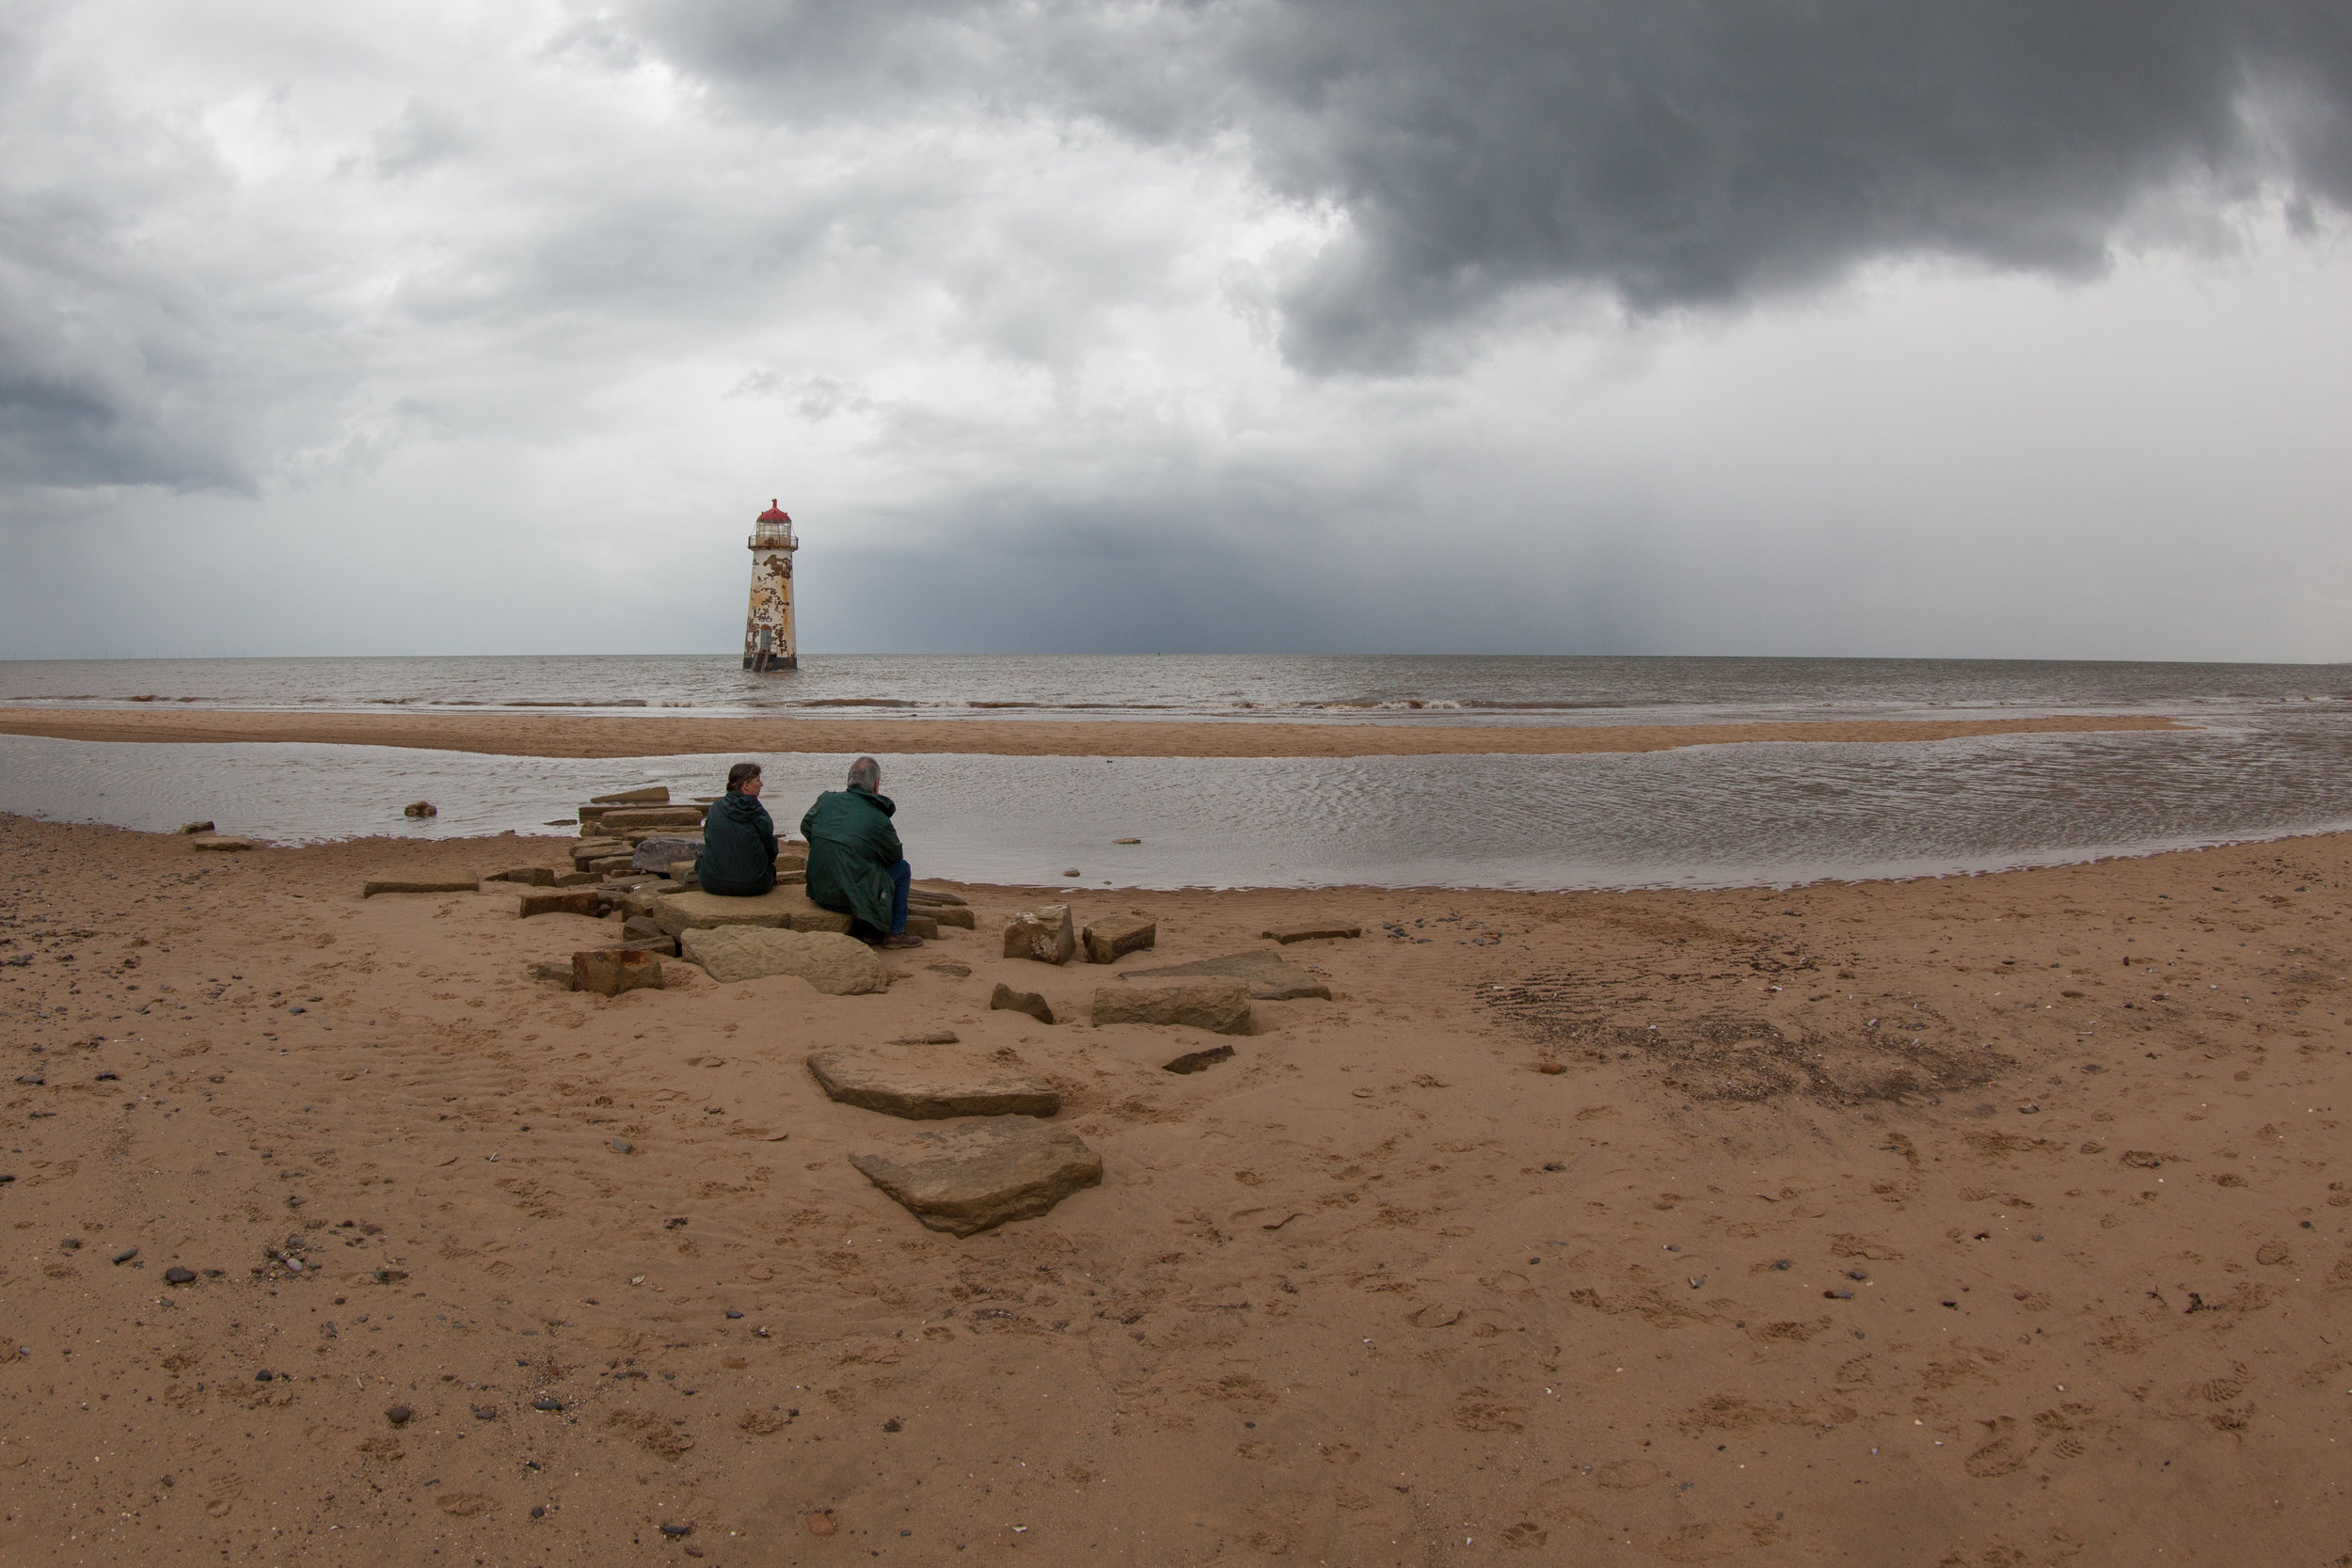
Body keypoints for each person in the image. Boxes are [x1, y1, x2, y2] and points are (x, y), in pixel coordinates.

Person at [802, 755, 921, 948]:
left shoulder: (825, 800)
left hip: (820, 893)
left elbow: (806, 828)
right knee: (903, 868)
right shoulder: (878, 817)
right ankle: (895, 933)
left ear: (849, 780)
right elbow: (895, 856)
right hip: (846, 900)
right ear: (876, 784)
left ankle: (871, 927)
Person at [697, 762, 777, 896]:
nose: (761, 784)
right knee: (770, 870)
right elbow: (771, 849)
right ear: (746, 786)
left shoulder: (716, 807)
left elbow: (709, 839)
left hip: (712, 883)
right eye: (758, 780)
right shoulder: (757, 812)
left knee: (700, 861)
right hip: (753, 886)